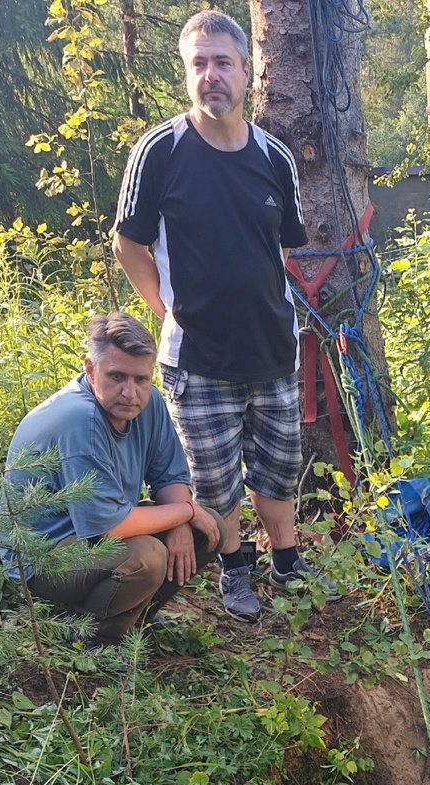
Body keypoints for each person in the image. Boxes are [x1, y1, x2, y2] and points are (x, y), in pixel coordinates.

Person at [112, 8, 327, 623]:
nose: (212, 75)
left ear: (246, 71)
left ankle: (286, 559)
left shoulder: (275, 157)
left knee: (279, 470)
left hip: (273, 351)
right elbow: (128, 243)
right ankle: (235, 568)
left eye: (223, 63)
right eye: (199, 63)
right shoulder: (159, 152)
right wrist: (165, 308)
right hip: (197, 360)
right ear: (187, 73)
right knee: (215, 480)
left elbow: (282, 246)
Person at [0, 312, 224, 642]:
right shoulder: (80, 419)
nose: (129, 392)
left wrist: (181, 521)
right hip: (41, 559)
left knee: (207, 526)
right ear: (91, 370)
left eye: (141, 379)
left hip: (92, 538)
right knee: (145, 557)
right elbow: (109, 527)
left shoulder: (148, 404)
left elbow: (169, 478)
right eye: (116, 376)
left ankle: (132, 616)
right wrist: (186, 511)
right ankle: (86, 637)